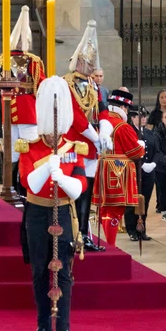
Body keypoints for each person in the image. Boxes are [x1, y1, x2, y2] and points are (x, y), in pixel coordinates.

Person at [18, 76, 88, 331]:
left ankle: (64, 327)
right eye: (50, 131)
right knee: (39, 271)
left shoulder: (74, 147)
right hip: (37, 214)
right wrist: (48, 166)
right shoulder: (30, 146)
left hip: (63, 213)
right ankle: (43, 325)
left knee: (65, 273)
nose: (53, 136)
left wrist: (63, 178)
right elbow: (28, 183)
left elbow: (79, 186)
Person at [64, 21, 104, 252]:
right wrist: (94, 135)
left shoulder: (92, 85)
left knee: (88, 191)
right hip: (75, 144)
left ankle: (84, 233)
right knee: (76, 190)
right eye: (87, 62)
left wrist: (105, 131)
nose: (90, 66)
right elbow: (75, 116)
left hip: (92, 145)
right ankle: (72, 231)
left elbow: (102, 108)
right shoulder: (66, 83)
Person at [0, 7, 45, 195]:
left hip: (8, 109)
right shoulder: (33, 61)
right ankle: (25, 188)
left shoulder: (3, 60)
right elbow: (41, 84)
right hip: (27, 110)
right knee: (29, 151)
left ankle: (9, 186)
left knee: (11, 153)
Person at [93, 90, 145, 245]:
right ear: (124, 108)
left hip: (101, 167)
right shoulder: (122, 126)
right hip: (118, 171)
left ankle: (108, 240)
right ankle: (111, 243)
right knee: (115, 209)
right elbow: (134, 151)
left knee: (105, 209)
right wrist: (141, 146)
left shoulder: (102, 122)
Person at [126, 108, 158, 241]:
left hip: (148, 172)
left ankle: (142, 228)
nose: (143, 119)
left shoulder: (150, 133)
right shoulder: (129, 132)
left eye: (145, 116)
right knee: (133, 201)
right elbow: (127, 150)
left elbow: (157, 150)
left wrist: (153, 164)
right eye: (140, 116)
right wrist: (140, 163)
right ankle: (132, 230)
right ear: (133, 118)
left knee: (145, 201)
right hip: (134, 170)